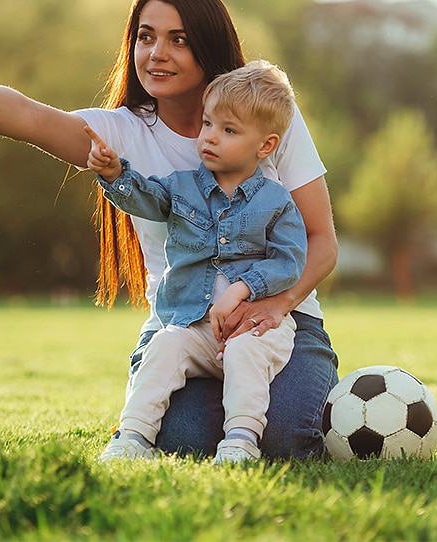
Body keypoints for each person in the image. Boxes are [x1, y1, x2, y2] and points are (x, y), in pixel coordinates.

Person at [0, 0, 340, 459]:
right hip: (183, 326)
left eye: (178, 40)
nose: (156, 53)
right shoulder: (123, 134)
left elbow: (321, 240)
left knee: (284, 439)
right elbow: (26, 116)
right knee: (182, 441)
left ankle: (309, 395)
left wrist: (275, 304)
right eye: (145, 36)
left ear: (209, 46)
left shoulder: (264, 111)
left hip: (280, 319)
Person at [87, 60, 306, 464]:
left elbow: (290, 259)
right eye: (207, 124)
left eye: (229, 130)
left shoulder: (276, 201)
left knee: (245, 354)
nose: (209, 137)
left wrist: (243, 289)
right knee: (165, 345)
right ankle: (132, 437)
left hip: (254, 326)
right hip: (193, 324)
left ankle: (240, 441)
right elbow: (147, 198)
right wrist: (116, 173)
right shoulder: (182, 186)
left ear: (266, 146)